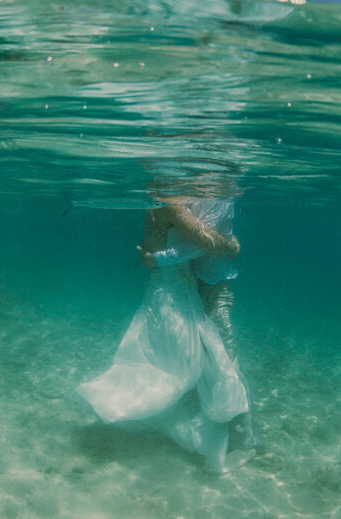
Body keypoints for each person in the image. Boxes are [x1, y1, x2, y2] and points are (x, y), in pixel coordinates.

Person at [76, 197, 253, 472]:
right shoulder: (171, 203)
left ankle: (213, 422)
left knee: (183, 361)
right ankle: (212, 428)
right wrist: (232, 246)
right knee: (181, 367)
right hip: (173, 291)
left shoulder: (165, 202)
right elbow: (205, 242)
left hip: (173, 286)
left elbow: (200, 234)